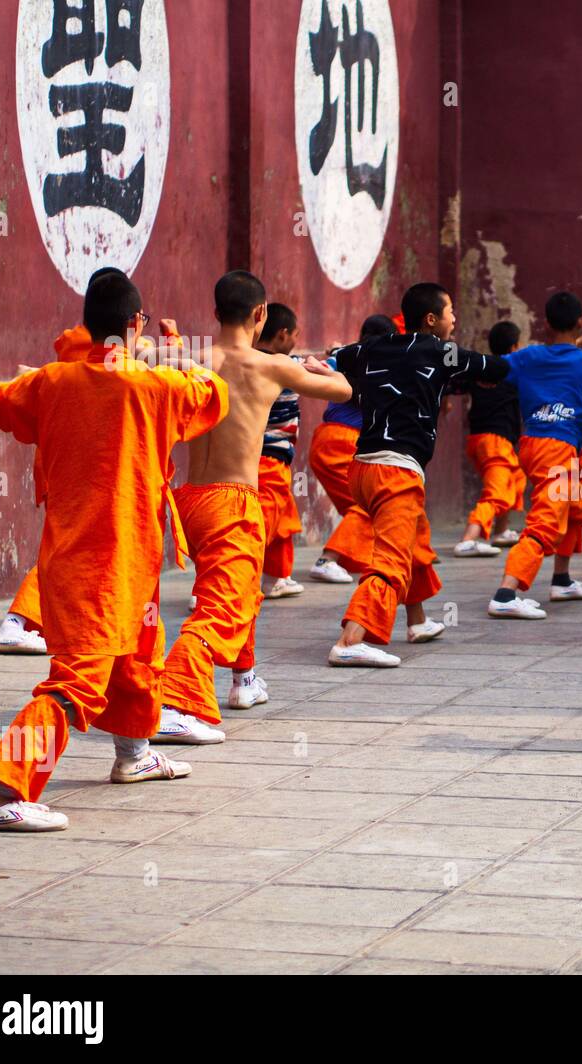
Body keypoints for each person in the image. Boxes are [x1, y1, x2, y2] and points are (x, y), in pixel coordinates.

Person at [0, 272, 227, 831]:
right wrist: (173, 354)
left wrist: (45, 390)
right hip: (107, 560)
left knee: (137, 655)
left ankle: (134, 755)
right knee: (77, 680)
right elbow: (214, 394)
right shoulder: (156, 385)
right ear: (135, 324)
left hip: (94, 552)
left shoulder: (51, 382)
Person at [155, 271, 352, 743]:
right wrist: (323, 369)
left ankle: (244, 678)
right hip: (234, 501)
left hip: (187, 503)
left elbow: (144, 361)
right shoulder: (271, 366)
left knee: (236, 591)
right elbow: (343, 391)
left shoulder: (190, 360)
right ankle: (172, 703)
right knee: (221, 607)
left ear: (216, 310)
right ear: (261, 314)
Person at [0, 268, 184, 656]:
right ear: (130, 319)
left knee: (69, 546)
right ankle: (21, 620)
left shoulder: (74, 346)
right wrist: (175, 341)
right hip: (100, 470)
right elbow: (156, 366)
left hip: (66, 464)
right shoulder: (120, 363)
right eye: (139, 318)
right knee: (79, 553)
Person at [330, 283, 509, 666]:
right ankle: (350, 640)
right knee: (391, 560)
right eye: (450, 312)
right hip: (396, 471)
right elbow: (495, 367)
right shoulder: (439, 351)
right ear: (431, 320)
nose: (454, 319)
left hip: (361, 467)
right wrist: (485, 375)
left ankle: (418, 620)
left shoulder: (374, 347)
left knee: (415, 542)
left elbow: (337, 358)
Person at [487, 291, 582, 619]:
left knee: (575, 508)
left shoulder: (527, 357)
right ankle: (506, 593)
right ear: (581, 323)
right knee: (546, 521)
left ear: (546, 323)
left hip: (532, 443)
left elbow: (491, 372)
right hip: (556, 448)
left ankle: (561, 579)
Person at [307, 314, 395, 584]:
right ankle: (328, 559)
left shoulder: (344, 357)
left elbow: (314, 366)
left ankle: (348, 557)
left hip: (323, 439)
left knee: (355, 507)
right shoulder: (384, 364)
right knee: (368, 505)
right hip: (348, 442)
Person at [453, 320, 526, 557]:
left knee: (514, 480)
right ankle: (468, 539)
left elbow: (457, 382)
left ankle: (502, 531)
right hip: (496, 441)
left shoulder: (482, 368)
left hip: (480, 440)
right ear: (515, 347)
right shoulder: (514, 370)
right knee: (496, 492)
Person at [252, 302, 307, 598]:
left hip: (272, 459)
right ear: (283, 335)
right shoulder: (287, 365)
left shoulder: (246, 360)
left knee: (282, 517)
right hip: (268, 458)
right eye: (296, 334)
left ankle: (276, 577)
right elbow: (325, 370)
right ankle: (218, 582)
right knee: (260, 523)